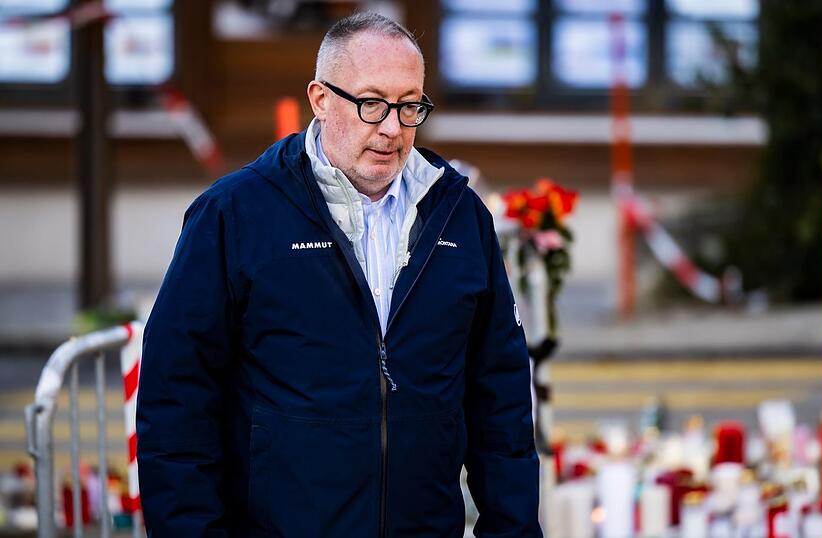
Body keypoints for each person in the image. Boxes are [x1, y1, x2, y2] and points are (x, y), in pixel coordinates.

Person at [136, 11, 542, 538]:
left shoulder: (460, 215)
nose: (393, 127)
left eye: (409, 105)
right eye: (371, 103)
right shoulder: (233, 215)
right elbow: (176, 401)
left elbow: (501, 402)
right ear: (320, 99)